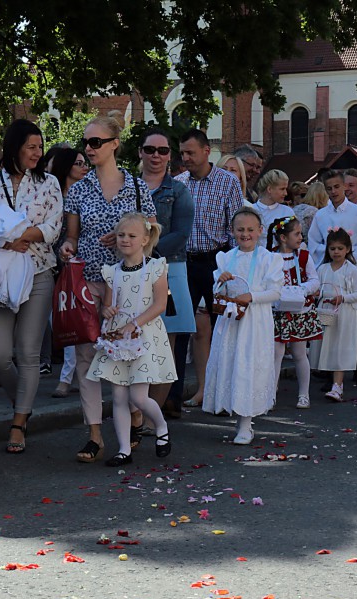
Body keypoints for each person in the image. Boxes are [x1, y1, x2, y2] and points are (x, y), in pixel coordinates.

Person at [61, 114, 157, 463]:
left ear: (115, 144)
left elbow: (152, 230)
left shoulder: (135, 186)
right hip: (88, 279)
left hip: (126, 281)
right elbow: (70, 236)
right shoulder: (78, 189)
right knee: (87, 356)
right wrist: (67, 247)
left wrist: (126, 239)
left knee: (124, 351)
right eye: (85, 143)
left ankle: (132, 417)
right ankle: (95, 434)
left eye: (95, 142)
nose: (88, 149)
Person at [0, 119, 63, 454]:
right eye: (31, 146)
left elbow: (52, 227)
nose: (37, 153)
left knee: (28, 351)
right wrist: (4, 239)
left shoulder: (50, 183)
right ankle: (22, 402)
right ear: (14, 147)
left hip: (39, 270)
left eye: (40, 147)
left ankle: (18, 421)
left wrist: (16, 236)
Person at [87, 213, 175, 466]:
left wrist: (134, 323)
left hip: (143, 336)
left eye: (132, 236)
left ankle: (161, 427)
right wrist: (107, 311)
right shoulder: (112, 272)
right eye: (122, 235)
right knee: (118, 396)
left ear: (145, 239)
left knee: (138, 396)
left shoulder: (156, 268)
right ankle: (124, 449)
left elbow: (160, 304)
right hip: (118, 338)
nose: (125, 240)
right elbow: (108, 305)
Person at [203, 207, 283, 444]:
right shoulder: (225, 258)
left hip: (255, 323)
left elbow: (276, 291)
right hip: (230, 323)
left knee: (249, 366)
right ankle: (235, 415)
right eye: (240, 230)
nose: (245, 234)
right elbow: (217, 292)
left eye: (250, 229)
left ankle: (246, 424)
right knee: (231, 364)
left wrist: (252, 296)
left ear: (260, 231)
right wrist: (221, 283)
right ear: (232, 231)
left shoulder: (270, 259)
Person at [177, 129, 243, 409]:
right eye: (182, 153)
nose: (185, 158)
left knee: (223, 327)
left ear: (207, 151)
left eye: (190, 152)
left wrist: (230, 265)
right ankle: (172, 397)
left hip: (217, 261)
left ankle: (225, 394)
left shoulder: (228, 182)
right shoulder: (178, 183)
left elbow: (237, 225)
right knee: (180, 329)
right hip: (184, 262)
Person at [137, 128, 194, 419]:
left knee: (166, 347)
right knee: (136, 344)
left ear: (170, 155)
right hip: (133, 275)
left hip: (171, 269)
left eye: (162, 150)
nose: (156, 156)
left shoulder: (180, 191)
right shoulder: (128, 187)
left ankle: (152, 415)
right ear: (140, 152)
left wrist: (146, 253)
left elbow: (182, 233)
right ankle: (136, 412)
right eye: (150, 150)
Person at [309, 170, 357, 386]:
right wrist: (330, 254)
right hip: (330, 275)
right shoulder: (321, 216)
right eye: (329, 188)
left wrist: (349, 258)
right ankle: (332, 373)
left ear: (344, 187)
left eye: (337, 187)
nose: (333, 192)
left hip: (354, 275)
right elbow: (313, 243)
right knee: (331, 326)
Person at [47, 147, 90, 399]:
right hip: (48, 265)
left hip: (75, 267)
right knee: (56, 323)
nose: (85, 167)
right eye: (78, 163)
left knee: (72, 320)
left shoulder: (87, 195)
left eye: (85, 163)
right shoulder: (50, 194)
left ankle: (66, 378)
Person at [268, 217, 321, 409]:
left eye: (300, 233)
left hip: (299, 310)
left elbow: (315, 280)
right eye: (296, 233)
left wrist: (301, 289)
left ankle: (304, 394)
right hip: (277, 310)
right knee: (276, 353)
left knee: (299, 353)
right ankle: (270, 395)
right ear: (283, 237)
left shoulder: (304, 256)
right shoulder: (270, 257)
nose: (300, 237)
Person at [311, 229, 357, 401]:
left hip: (345, 313)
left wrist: (343, 298)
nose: (336, 252)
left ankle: (337, 386)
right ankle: (331, 380)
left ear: (347, 249)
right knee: (328, 345)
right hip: (326, 312)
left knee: (340, 346)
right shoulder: (323, 268)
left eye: (340, 248)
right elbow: (317, 288)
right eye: (332, 248)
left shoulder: (352, 270)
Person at [253, 169, 295, 248]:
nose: (286, 193)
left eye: (286, 189)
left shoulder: (287, 212)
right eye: (282, 189)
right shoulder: (251, 210)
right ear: (269, 189)